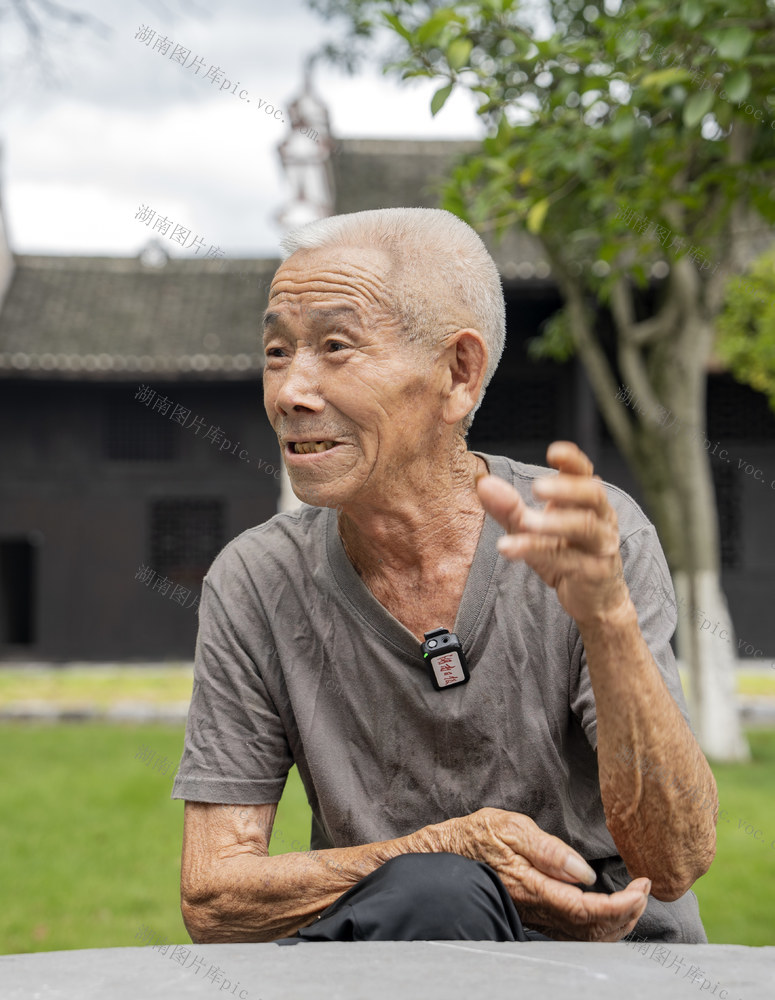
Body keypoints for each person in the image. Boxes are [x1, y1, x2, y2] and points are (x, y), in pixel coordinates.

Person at [171, 207, 717, 945]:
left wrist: (607, 620)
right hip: (391, 956)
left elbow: (674, 861)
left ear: (458, 373)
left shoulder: (587, 536)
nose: (289, 392)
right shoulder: (256, 579)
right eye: (275, 352)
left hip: (603, 970)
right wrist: (442, 852)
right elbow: (213, 897)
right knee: (437, 889)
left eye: (335, 346)